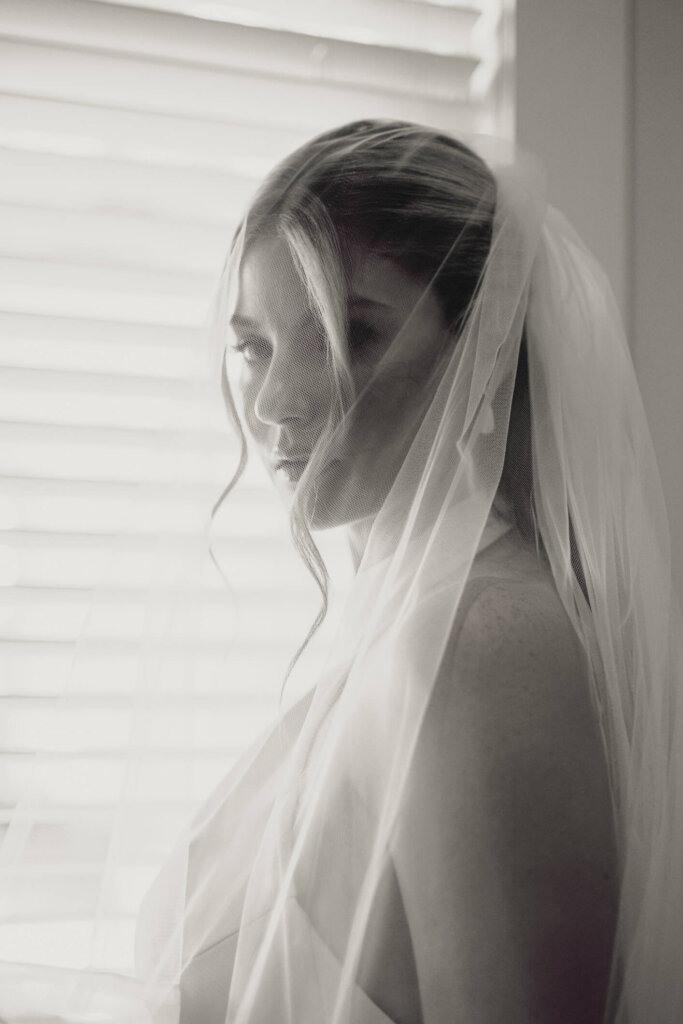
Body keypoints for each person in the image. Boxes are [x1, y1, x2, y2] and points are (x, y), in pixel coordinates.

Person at [1, 120, 681, 1024]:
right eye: (253, 345)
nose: (277, 400)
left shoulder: (477, 648)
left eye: (344, 333)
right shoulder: (407, 628)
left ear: (478, 346)